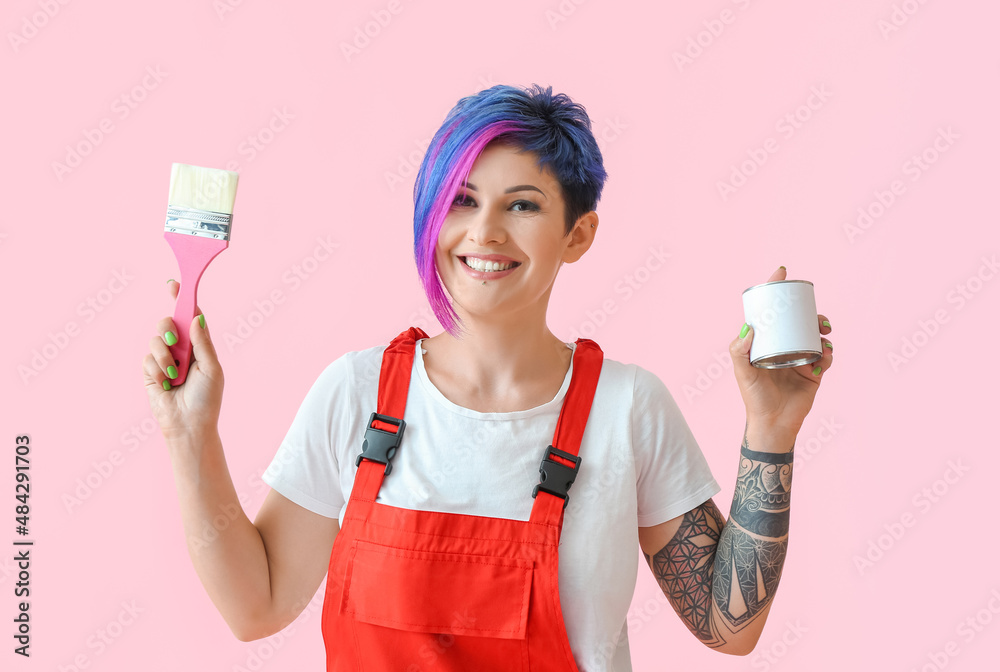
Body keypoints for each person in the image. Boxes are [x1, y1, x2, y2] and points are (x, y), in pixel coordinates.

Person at [143, 84, 834, 671]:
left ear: (578, 234)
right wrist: (189, 433)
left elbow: (729, 625)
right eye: (463, 200)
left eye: (523, 205)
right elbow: (255, 606)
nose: (486, 233)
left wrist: (770, 432)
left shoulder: (627, 408)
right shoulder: (355, 396)